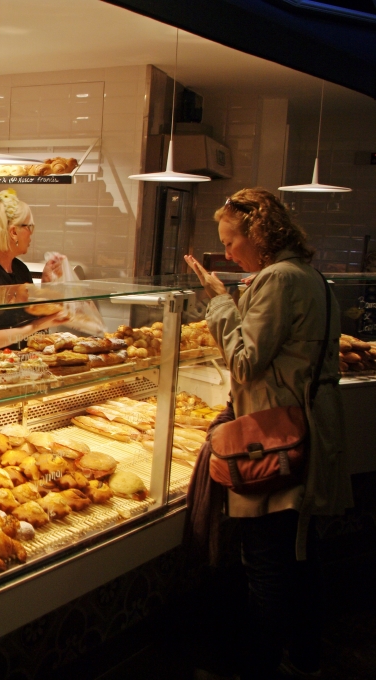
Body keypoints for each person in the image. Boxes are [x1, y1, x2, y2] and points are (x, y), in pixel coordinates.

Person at [185, 188, 353, 680]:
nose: (228, 253)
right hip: (309, 426)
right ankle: (303, 658)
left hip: (277, 437)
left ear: (258, 236)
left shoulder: (277, 280)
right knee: (300, 554)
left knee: (267, 561)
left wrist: (220, 302)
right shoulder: (308, 275)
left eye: (230, 242)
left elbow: (244, 361)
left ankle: (259, 666)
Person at [0, 188, 68, 349]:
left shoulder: (19, 268)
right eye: (29, 227)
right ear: (14, 232)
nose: (31, 234)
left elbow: (28, 318)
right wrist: (37, 325)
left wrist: (47, 285)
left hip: (21, 361)